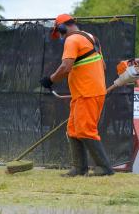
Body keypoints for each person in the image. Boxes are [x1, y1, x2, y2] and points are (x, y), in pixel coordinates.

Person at [40, 14, 114, 177]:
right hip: (86, 93)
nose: (60, 36)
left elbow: (66, 67)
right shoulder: (91, 38)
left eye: (59, 33)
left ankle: (104, 168)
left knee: (85, 130)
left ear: (62, 28)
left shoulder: (72, 40)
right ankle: (79, 168)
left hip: (87, 93)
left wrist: (49, 80)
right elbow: (104, 66)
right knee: (73, 129)